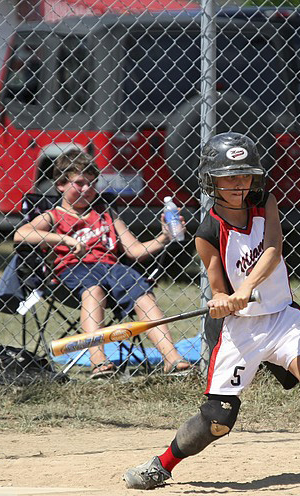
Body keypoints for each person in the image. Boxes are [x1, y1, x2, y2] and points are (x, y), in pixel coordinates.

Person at [123, 132, 300, 489]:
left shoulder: (264, 202)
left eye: (244, 175)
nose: (238, 184)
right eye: (228, 177)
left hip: (281, 316)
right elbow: (216, 286)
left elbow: (273, 248)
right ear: (210, 180)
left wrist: (246, 287)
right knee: (217, 421)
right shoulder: (208, 229)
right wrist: (220, 300)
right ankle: (161, 465)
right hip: (239, 330)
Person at [13, 150, 191, 377]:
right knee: (94, 290)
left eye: (91, 183)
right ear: (60, 185)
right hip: (73, 271)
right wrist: (65, 239)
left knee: (141, 291)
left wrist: (164, 238)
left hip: (112, 269)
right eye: (79, 183)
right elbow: (21, 234)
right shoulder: (53, 215)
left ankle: (172, 358)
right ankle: (98, 361)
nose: (86, 189)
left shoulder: (106, 212)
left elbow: (134, 250)